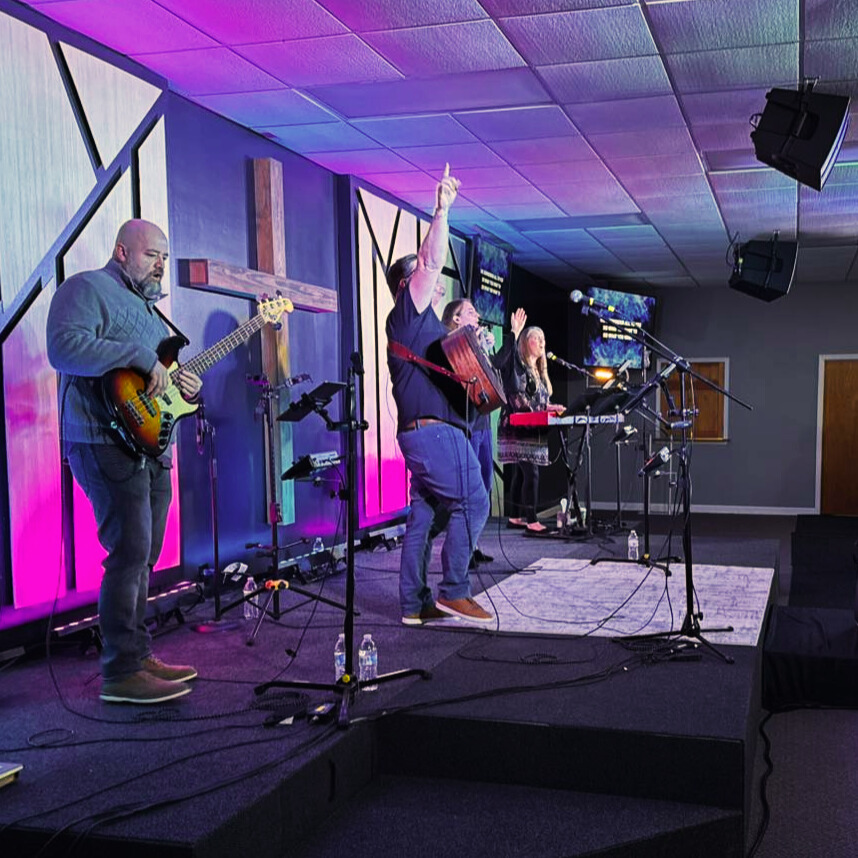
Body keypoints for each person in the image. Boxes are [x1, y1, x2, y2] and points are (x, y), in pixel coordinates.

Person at [47, 219, 203, 704]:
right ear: (121, 252)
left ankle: (138, 653)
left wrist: (184, 385)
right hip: (101, 439)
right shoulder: (85, 288)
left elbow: (155, 381)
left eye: (164, 257)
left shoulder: (153, 314)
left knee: (145, 554)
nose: (160, 265)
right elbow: (63, 348)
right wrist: (138, 355)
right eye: (152, 254)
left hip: (150, 446)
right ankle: (120, 672)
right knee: (129, 551)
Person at [386, 165, 492, 626]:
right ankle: (454, 590)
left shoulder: (423, 327)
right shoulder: (407, 314)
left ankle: (414, 605)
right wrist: (442, 210)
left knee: (424, 518)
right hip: (433, 435)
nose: (433, 279)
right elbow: (429, 263)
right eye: (421, 277)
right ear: (406, 285)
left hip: (421, 434)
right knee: (476, 501)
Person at [441, 300, 527, 564]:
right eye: (470, 312)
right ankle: (462, 551)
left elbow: (497, 367)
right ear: (456, 319)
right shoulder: (451, 346)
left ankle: (473, 545)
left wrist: (502, 340)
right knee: (468, 490)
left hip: (482, 425)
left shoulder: (475, 342)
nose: (477, 315)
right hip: (465, 426)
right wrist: (510, 336)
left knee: (485, 485)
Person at [497, 325, 565, 533]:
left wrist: (549, 407)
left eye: (543, 338)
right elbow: (517, 398)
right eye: (536, 338)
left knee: (522, 471)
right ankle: (532, 521)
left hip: (532, 425)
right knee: (531, 471)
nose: (542, 342)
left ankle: (515, 517)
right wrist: (540, 410)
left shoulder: (539, 371)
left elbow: (539, 400)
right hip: (519, 425)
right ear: (525, 342)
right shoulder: (518, 367)